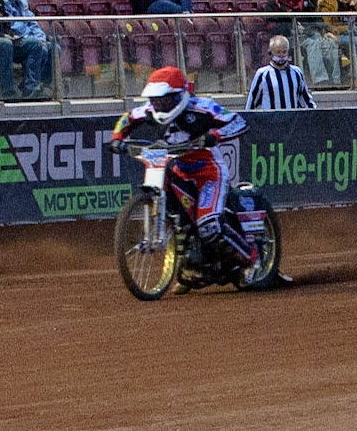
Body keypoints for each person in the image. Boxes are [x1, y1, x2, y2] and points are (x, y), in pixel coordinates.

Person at [109, 66, 256, 270]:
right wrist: (117, 138)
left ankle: (251, 255)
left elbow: (238, 122)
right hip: (179, 170)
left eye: (163, 100)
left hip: (209, 173)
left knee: (208, 225)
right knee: (179, 217)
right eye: (155, 100)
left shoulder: (202, 107)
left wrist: (215, 136)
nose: (158, 104)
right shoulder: (149, 110)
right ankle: (188, 260)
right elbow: (128, 118)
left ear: (178, 96)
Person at [245, 35, 316, 110]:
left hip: (292, 117)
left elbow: (305, 100)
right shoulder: (263, 74)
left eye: (284, 52)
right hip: (271, 117)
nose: (281, 55)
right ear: (271, 52)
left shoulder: (296, 72)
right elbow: (251, 103)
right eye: (278, 52)